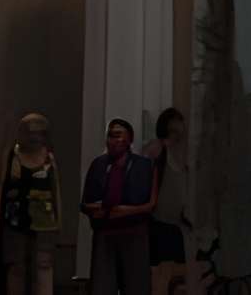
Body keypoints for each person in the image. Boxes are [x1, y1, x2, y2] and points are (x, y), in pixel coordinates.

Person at [82, 117, 160, 295]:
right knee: (103, 285)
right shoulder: (99, 165)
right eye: (110, 136)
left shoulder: (144, 166)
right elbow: (86, 202)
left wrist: (125, 212)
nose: (113, 141)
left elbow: (150, 204)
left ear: (129, 139)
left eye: (118, 136)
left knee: (136, 285)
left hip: (134, 233)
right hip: (105, 232)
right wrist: (99, 210)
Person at [0, 114, 67, 295]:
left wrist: (59, 222)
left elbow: (55, 190)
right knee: (16, 265)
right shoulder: (12, 155)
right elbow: (0, 187)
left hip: (44, 221)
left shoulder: (48, 158)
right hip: (14, 220)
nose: (34, 137)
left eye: (39, 133)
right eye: (30, 132)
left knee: (43, 265)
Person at [146, 108, 196, 295]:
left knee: (176, 280)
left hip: (175, 230)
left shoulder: (183, 160)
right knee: (161, 279)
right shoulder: (158, 150)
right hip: (158, 226)